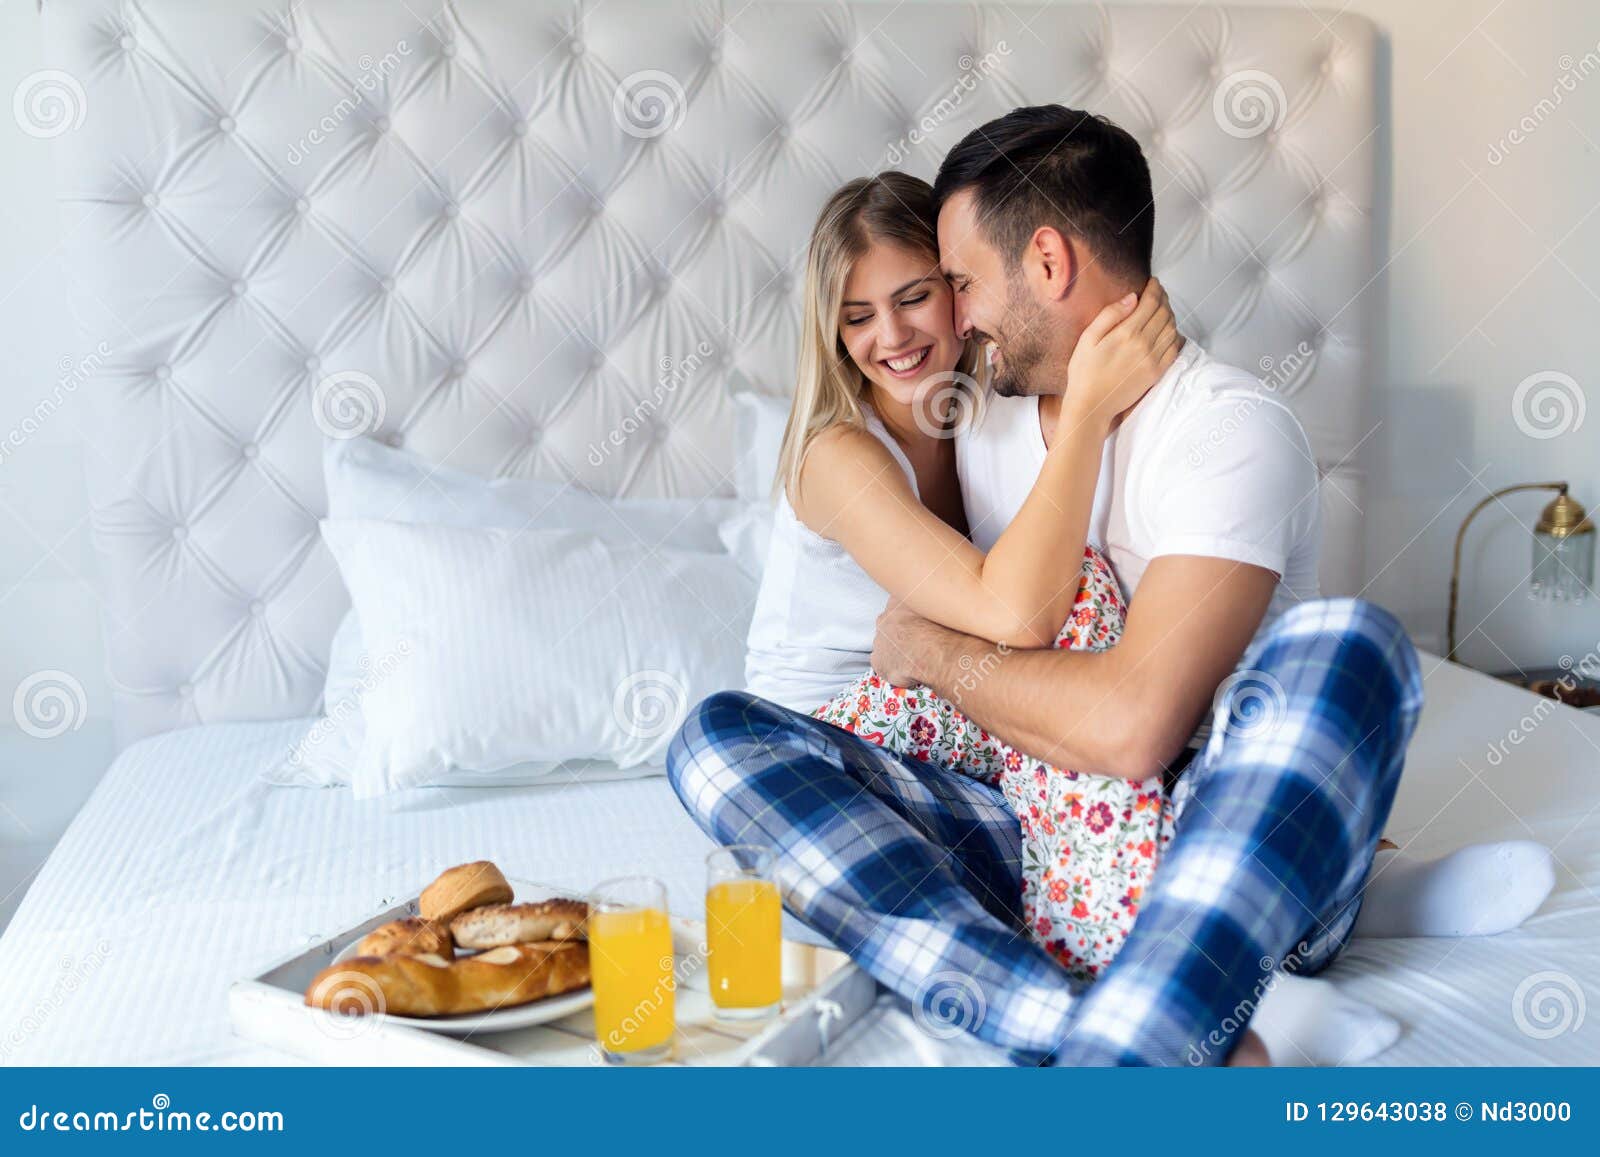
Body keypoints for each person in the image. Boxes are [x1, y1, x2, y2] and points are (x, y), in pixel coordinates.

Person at [670, 108, 1554, 1066]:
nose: (951, 321)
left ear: (1047, 263)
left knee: (1351, 649)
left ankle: (1312, 913)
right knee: (717, 740)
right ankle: (1128, 1011)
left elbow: (1133, 730)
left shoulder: (1227, 429)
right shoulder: (982, 415)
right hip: (1032, 816)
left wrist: (927, 651)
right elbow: (1001, 621)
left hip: (1216, 820)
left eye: (953, 287)